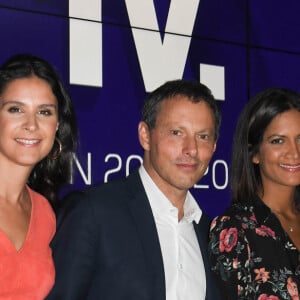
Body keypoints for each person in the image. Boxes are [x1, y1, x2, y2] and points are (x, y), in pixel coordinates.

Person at [46, 79, 222, 300]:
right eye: (177, 133)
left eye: (203, 136)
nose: (191, 149)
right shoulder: (93, 212)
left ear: (214, 147)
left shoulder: (212, 233)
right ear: (145, 135)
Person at [209, 88, 300, 299]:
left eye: (299, 138)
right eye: (278, 140)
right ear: (254, 153)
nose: (294, 152)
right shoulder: (234, 229)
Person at [0, 53, 77, 299]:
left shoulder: (44, 212)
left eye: (44, 112)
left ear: (57, 125)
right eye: (15, 109)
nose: (31, 124)